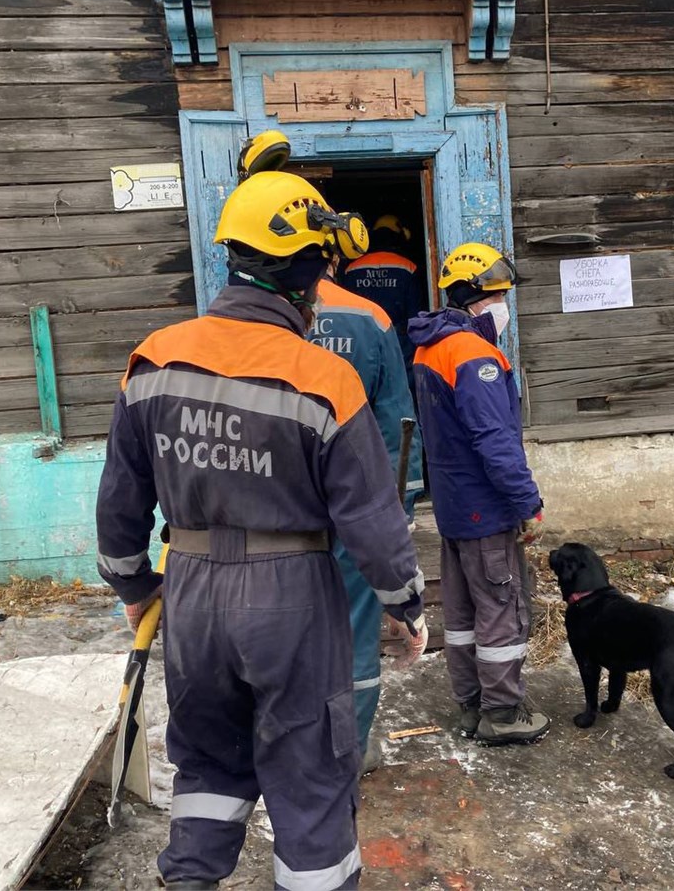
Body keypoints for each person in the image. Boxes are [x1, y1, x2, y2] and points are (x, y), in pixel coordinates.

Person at [95, 169, 426, 890]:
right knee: (308, 771)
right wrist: (404, 602)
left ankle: (189, 880)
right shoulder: (322, 378)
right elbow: (369, 516)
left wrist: (133, 586)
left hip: (189, 592)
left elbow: (120, 503)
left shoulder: (151, 360)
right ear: (310, 271)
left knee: (208, 765)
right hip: (290, 599)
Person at [407, 242, 549, 746]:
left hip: (451, 506)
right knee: (500, 610)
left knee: (464, 613)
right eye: (498, 296)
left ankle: (471, 705)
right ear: (474, 299)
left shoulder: (430, 347)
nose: (503, 307)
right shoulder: (473, 354)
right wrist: (527, 503)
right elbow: (494, 439)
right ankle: (504, 714)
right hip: (484, 507)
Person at [310, 257, 426, 769]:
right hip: (351, 511)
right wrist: (400, 511)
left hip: (271, 513)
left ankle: (287, 754)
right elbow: (397, 424)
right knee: (356, 632)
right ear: (333, 259)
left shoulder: (241, 326)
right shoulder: (373, 320)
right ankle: (348, 752)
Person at [343, 216, 424, 380]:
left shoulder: (351, 269)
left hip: (360, 339)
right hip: (399, 341)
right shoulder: (408, 267)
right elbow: (416, 315)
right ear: (399, 236)